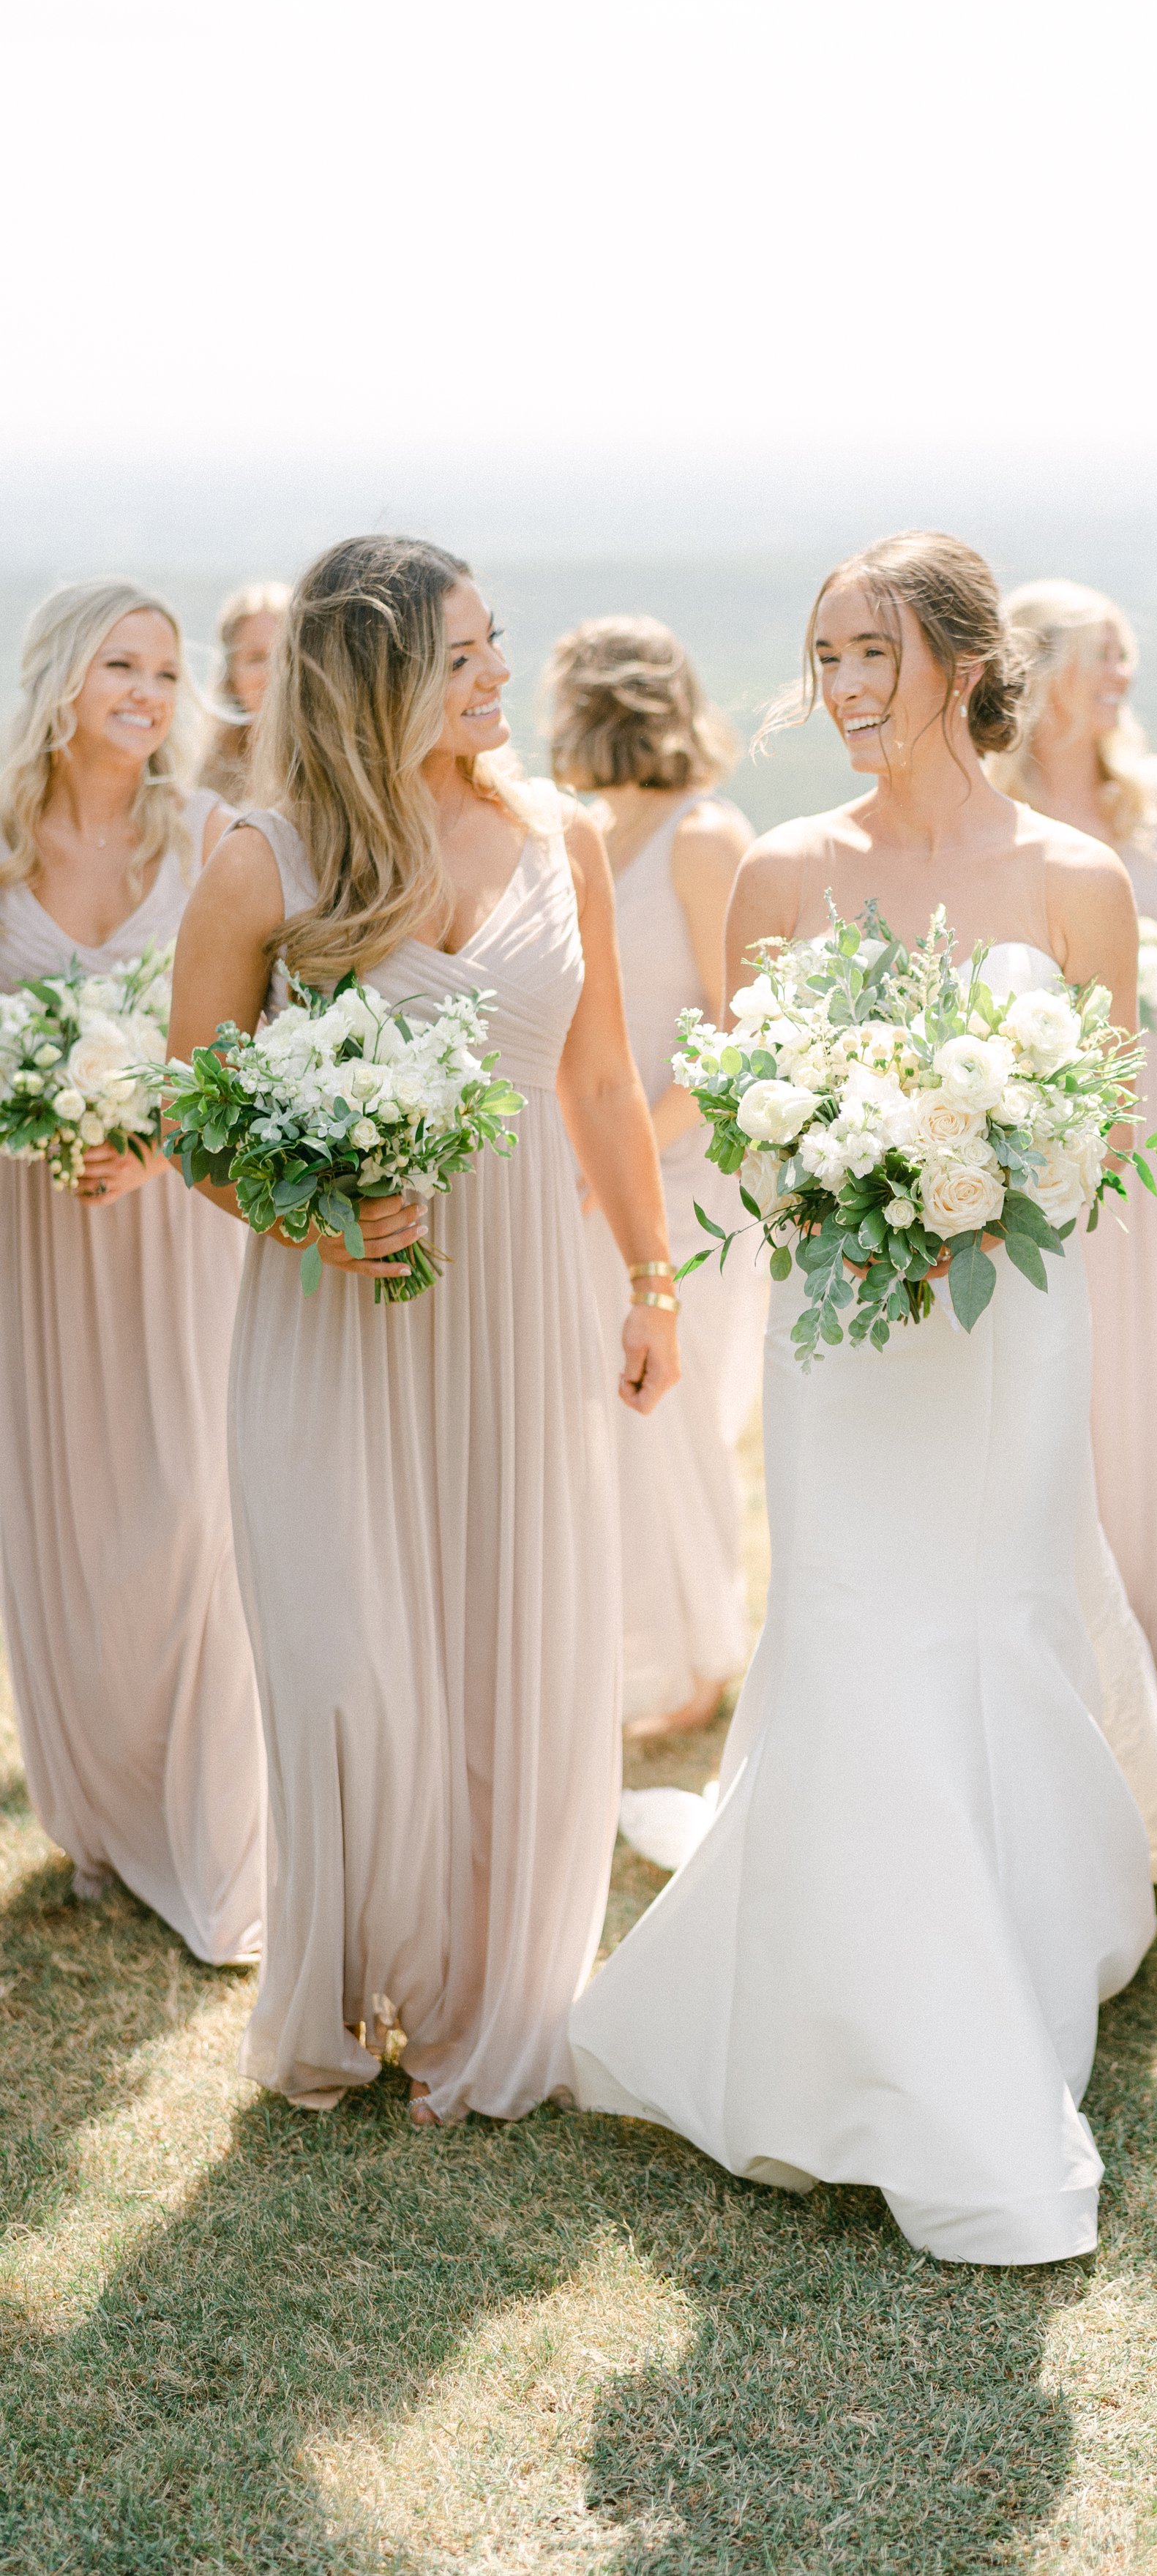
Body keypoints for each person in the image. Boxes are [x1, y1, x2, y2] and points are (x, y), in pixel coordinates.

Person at [569, 530, 1157, 2264]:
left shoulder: (1078, 879)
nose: (839, 691)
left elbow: (1110, 1122)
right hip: (844, 1319)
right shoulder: (782, 874)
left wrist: (973, 1156)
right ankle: (857, 1988)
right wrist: (861, 1179)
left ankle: (1010, 1940)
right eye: (824, 658)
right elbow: (753, 1113)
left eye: (870, 657)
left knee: (997, 1607)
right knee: (846, 1615)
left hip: (1009, 1319)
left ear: (966, 666)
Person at [168, 533, 679, 2126]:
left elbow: (596, 1083)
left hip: (525, 1293)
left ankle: (485, 1994)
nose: (495, 677)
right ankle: (342, 1987)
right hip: (337, 1310)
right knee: (345, 1666)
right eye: (461, 654)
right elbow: (196, 1110)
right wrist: (307, 1213)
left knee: (506, 1635)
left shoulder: (558, 838)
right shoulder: (268, 859)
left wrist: (653, 1279)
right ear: (378, 672)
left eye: (494, 646)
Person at [0, 580, 263, 1963]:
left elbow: (249, 1039)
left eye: (167, 673)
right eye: (123, 664)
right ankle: (98, 1815)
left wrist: (159, 1150)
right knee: (65, 1510)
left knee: (183, 1504)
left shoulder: (210, 836)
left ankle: (210, 1822)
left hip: (176, 1226)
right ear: (62, 675)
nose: (151, 694)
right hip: (34, 1234)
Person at [995, 578, 1157, 1680]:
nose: (1124, 679)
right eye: (1107, 656)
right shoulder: (988, 800)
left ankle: (1155, 1592)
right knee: (1062, 1328)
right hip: (1041, 1094)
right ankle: (1057, 1595)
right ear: (1046, 670)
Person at [546, 617, 767, 1737]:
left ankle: (695, 1661)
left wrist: (628, 1143)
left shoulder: (706, 834)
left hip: (687, 1173)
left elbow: (742, 1033)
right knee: (608, 1421)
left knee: (680, 1416)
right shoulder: (577, 831)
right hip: (590, 1171)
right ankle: (636, 1647)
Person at [198, 580, 289, 802]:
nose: (273, 673)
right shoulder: (203, 777)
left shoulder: (331, 771)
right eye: (256, 658)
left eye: (285, 656)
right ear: (230, 673)